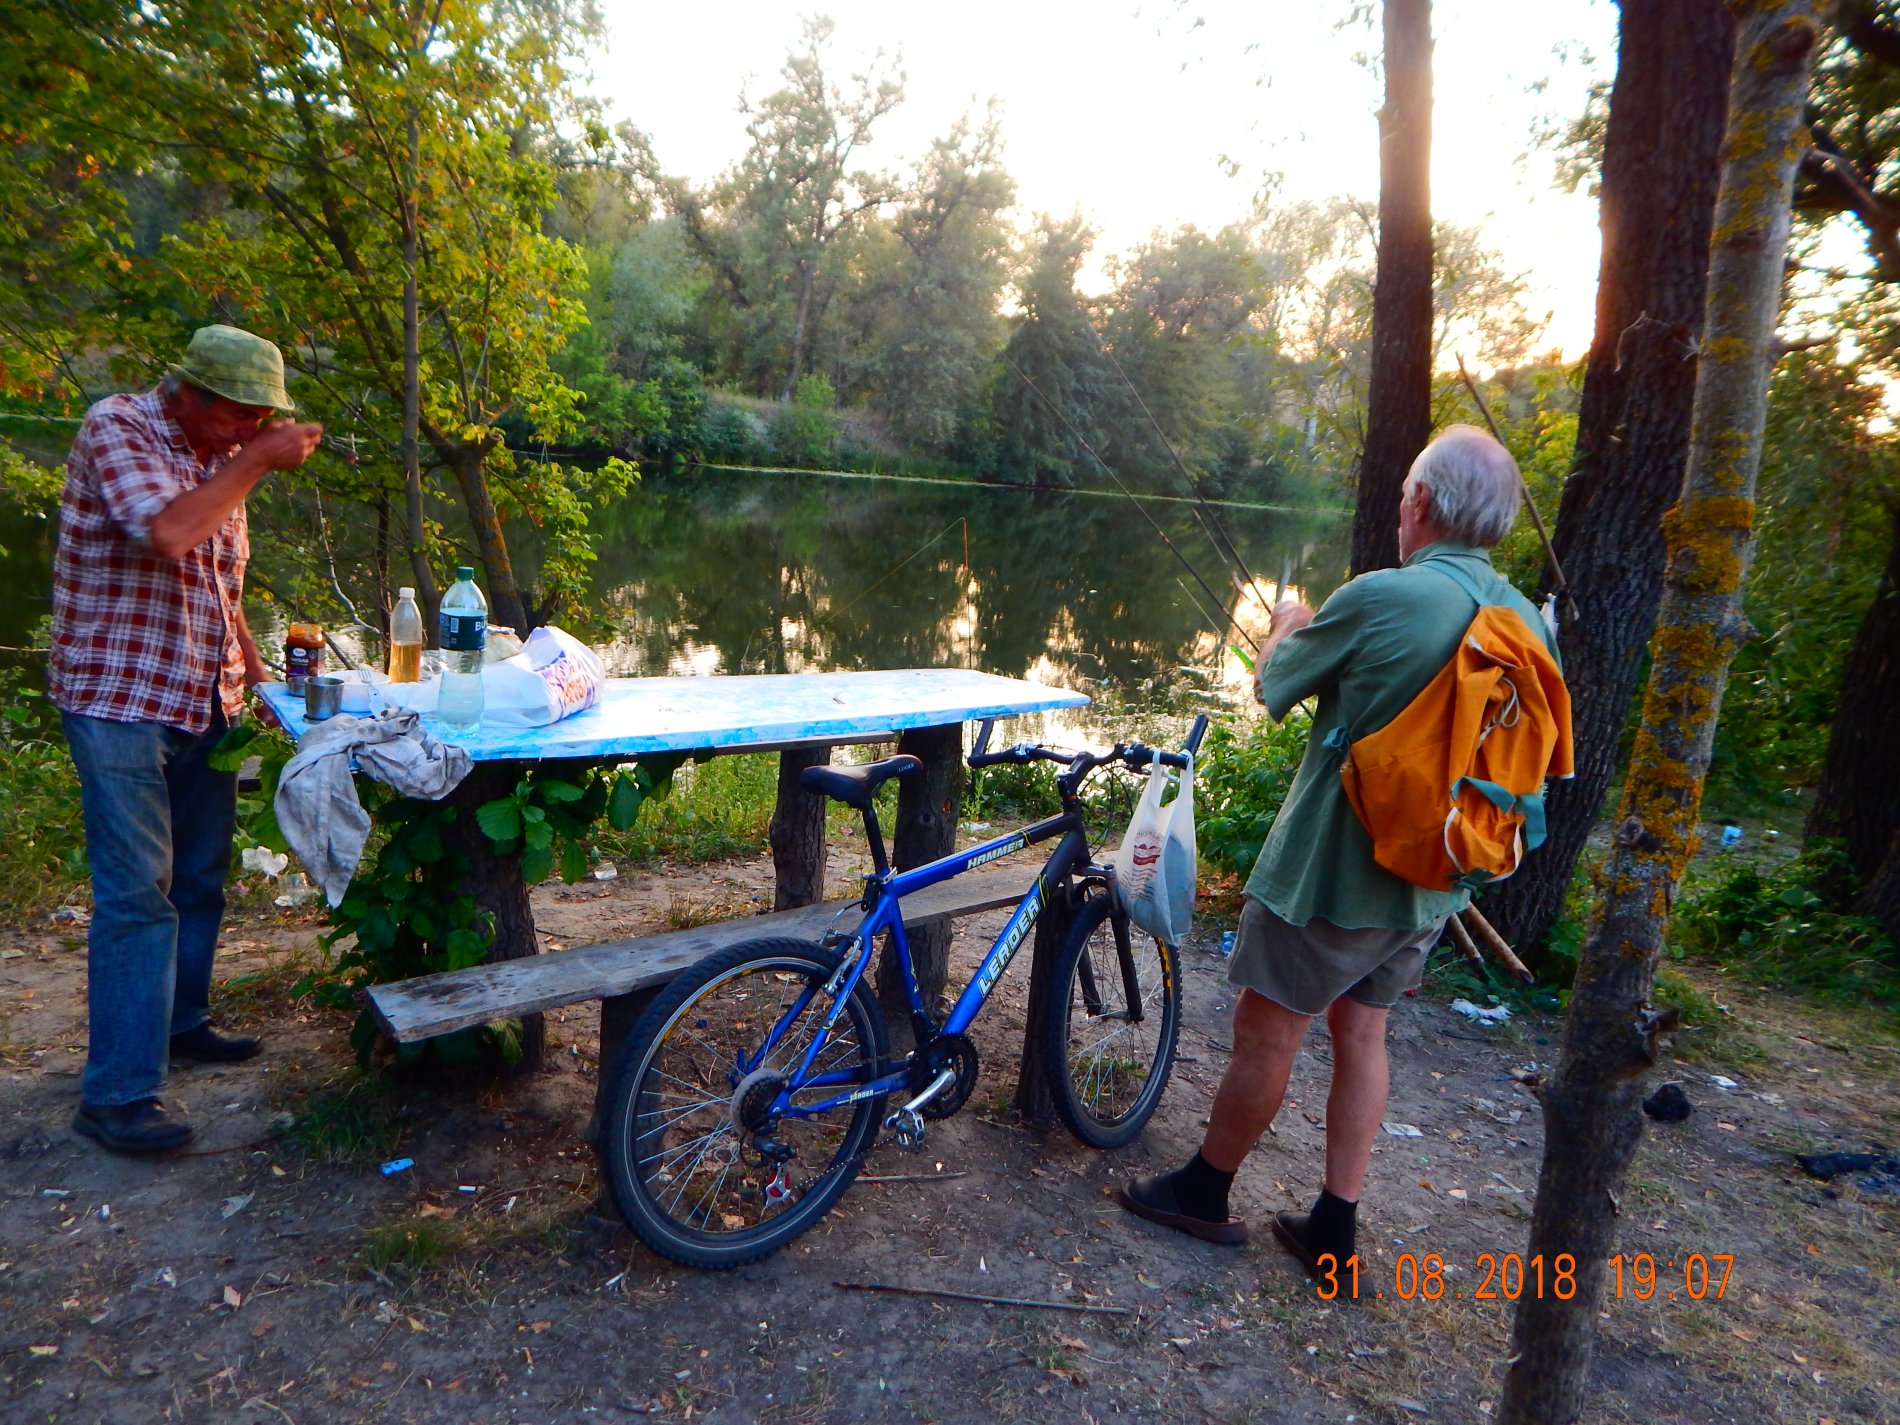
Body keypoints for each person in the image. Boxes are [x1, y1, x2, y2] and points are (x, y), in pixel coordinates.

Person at [1118, 424, 1563, 1275]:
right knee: (1363, 1030)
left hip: (1334, 878)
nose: (1399, 510)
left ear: (1421, 501)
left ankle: (1204, 1191)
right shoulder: (1520, 619)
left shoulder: (1383, 596)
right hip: (1434, 879)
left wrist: (1289, 622)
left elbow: (1274, 683)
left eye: (1402, 497)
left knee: (1266, 1030)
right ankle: (1335, 1223)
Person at [51, 324, 323, 1154]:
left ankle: (178, 1022)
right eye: (242, 415)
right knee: (139, 895)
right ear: (191, 394)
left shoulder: (221, 454)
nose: (252, 430)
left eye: (262, 420)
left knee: (200, 879)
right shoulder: (119, 427)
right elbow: (169, 533)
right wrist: (257, 461)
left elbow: (217, 582)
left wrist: (256, 677)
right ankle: (117, 1096)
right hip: (120, 701)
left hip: (206, 700)